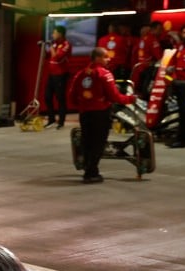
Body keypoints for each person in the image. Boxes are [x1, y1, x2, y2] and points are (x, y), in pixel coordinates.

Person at [69, 47, 136, 183]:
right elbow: (114, 96)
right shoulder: (104, 74)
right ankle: (91, 172)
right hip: (100, 113)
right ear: (98, 58)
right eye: (106, 57)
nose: (108, 59)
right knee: (98, 143)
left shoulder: (80, 74)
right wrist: (131, 99)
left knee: (87, 141)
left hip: (84, 113)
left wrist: (82, 105)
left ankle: (88, 168)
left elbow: (71, 95)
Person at [44, 25, 72, 128]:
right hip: (51, 74)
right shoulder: (55, 44)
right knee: (47, 97)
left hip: (61, 75)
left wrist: (51, 46)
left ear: (60, 34)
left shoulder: (66, 44)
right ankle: (51, 119)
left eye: (54, 33)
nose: (52, 35)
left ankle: (61, 122)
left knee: (60, 98)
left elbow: (57, 57)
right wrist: (42, 46)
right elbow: (48, 55)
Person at [131, 22, 163, 99]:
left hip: (139, 68)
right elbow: (160, 57)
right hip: (149, 69)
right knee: (146, 91)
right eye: (160, 29)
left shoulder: (142, 39)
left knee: (139, 89)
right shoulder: (153, 40)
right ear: (153, 29)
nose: (161, 32)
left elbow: (134, 54)